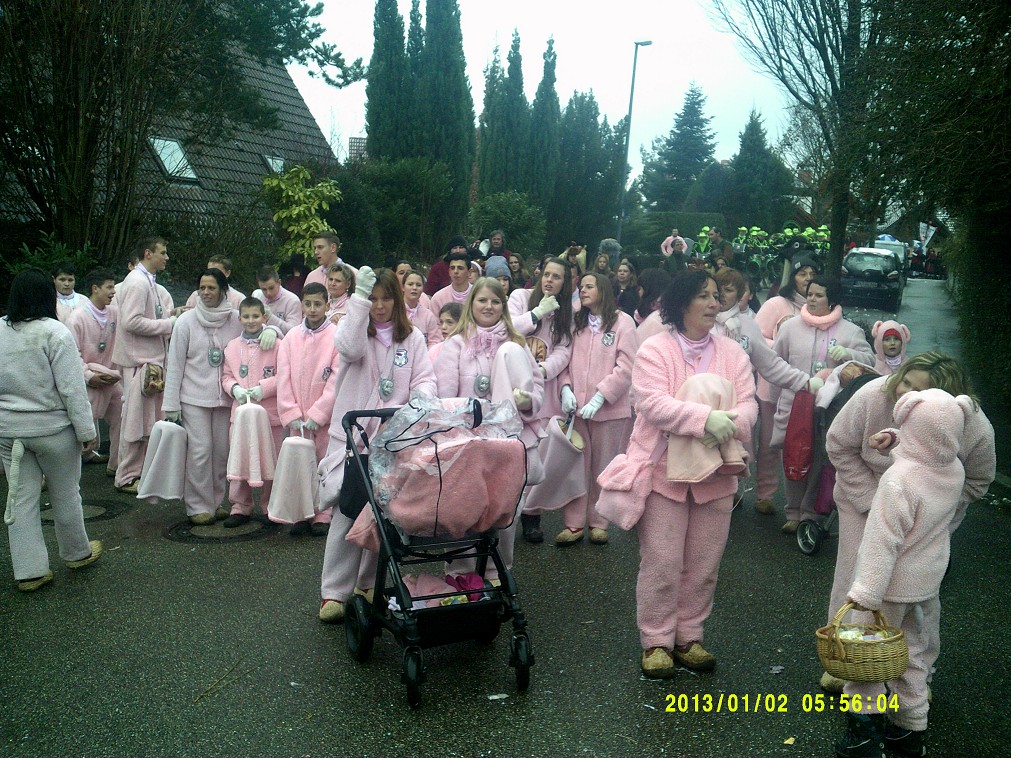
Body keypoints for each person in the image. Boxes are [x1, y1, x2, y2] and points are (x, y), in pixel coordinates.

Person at [597, 270, 757, 679]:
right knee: (662, 562)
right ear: (682, 302)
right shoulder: (655, 348)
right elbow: (651, 403)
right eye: (703, 296)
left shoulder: (732, 353)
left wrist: (729, 424)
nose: (714, 303)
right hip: (663, 473)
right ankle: (656, 640)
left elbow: (749, 405)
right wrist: (705, 420)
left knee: (704, 564)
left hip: (716, 474)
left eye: (716, 296)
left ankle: (690, 636)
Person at [822, 354, 995, 695]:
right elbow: (838, 444)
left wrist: (935, 512)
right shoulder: (873, 394)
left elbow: (979, 479)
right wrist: (873, 501)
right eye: (905, 381)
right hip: (863, 495)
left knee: (917, 591)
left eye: (918, 389)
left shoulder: (973, 423)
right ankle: (847, 657)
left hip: (925, 513)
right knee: (857, 577)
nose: (904, 392)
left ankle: (913, 673)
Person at [834, 389, 980, 758]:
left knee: (867, 660)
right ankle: (909, 731)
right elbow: (930, 445)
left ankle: (863, 737)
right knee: (915, 656)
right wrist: (896, 438)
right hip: (926, 584)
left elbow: (882, 542)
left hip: (886, 588)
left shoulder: (898, 481)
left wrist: (865, 592)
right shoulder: (953, 471)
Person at [319, 267, 437, 622]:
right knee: (348, 511)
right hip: (354, 438)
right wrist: (358, 299)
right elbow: (348, 347)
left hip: (392, 440)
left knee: (384, 512)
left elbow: (425, 379)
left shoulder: (412, 338)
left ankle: (368, 583)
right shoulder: (353, 329)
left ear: (397, 301)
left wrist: (414, 407)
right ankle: (334, 592)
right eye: (373, 299)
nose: (380, 306)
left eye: (386, 299)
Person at [1, 269, 103, 592]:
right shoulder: (55, 332)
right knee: (65, 493)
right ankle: (76, 553)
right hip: (53, 431)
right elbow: (72, 389)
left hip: (9, 433)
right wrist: (87, 431)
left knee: (20, 499)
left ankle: (29, 571)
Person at [435, 277, 545, 574]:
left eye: (495, 301)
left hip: (506, 440)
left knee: (505, 506)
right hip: (467, 440)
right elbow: (444, 396)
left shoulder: (516, 343)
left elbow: (537, 386)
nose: (489, 306)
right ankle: (460, 574)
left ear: (503, 306)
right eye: (482, 300)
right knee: (463, 506)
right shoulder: (455, 343)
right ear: (471, 304)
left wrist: (527, 401)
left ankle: (498, 572)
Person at [772, 276, 874, 533]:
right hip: (795, 404)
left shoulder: (850, 331)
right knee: (794, 455)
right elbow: (775, 363)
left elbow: (870, 362)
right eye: (809, 294)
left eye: (819, 295)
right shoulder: (790, 327)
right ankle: (792, 512)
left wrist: (849, 354)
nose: (812, 299)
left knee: (819, 459)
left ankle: (810, 513)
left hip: (829, 409)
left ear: (832, 300)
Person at [163, 269, 259, 525]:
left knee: (221, 452)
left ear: (223, 291)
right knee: (200, 451)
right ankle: (197, 506)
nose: (206, 293)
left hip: (227, 397)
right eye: (202, 288)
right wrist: (171, 404)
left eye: (211, 288)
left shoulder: (235, 319)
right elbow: (174, 365)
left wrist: (271, 331)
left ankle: (216, 503)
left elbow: (256, 333)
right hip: (193, 398)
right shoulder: (185, 322)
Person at [554, 272, 638, 546]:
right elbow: (563, 360)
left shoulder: (623, 322)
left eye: (589, 286)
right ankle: (574, 523)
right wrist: (565, 389)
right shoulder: (576, 321)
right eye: (581, 286)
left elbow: (626, 366)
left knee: (604, 466)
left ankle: (599, 522)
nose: (583, 290)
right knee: (576, 467)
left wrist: (600, 397)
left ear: (603, 289)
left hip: (610, 411)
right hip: (577, 410)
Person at [507, 256, 574, 543]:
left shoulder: (566, 313)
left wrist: (544, 371)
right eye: (547, 274)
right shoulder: (520, 297)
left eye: (556, 277)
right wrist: (535, 314)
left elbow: (564, 349)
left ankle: (531, 516)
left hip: (544, 391)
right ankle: (504, 515)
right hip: (513, 388)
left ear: (564, 283)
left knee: (536, 458)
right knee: (511, 453)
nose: (549, 280)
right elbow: (507, 329)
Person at [751, 254, 820, 515]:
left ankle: (802, 504)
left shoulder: (821, 307)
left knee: (803, 444)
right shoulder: (776, 304)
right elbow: (755, 340)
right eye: (802, 274)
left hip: (807, 389)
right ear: (792, 278)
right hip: (774, 387)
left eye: (813, 274)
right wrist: (783, 345)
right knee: (769, 443)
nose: (808, 279)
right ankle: (765, 494)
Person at [111, 237, 177, 495]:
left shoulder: (146, 280)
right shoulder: (137, 282)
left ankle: (138, 472)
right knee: (134, 423)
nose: (167, 257)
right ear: (148, 253)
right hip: (139, 362)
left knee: (146, 421)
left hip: (148, 361)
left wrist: (170, 317)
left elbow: (147, 317)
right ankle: (126, 476)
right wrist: (168, 325)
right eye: (163, 252)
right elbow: (131, 322)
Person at [276, 283, 340, 536]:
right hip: (297, 417)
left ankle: (323, 512)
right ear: (302, 305)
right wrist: (290, 412)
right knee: (299, 464)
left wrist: (319, 413)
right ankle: (300, 512)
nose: (313, 309)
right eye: (308, 304)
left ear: (327, 305)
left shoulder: (336, 337)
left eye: (318, 304)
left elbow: (336, 379)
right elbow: (283, 378)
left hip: (322, 419)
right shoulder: (291, 337)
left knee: (323, 462)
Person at [220, 297, 283, 527]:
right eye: (246, 316)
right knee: (240, 458)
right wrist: (234, 388)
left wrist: (263, 388)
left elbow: (284, 375)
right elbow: (226, 376)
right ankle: (240, 506)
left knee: (272, 459)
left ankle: (270, 506)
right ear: (239, 319)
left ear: (264, 317)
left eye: (255, 316)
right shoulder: (232, 347)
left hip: (269, 414)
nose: (251, 320)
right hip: (241, 414)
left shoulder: (276, 344)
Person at [66, 268, 122, 473]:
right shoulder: (76, 318)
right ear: (95, 288)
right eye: (109, 287)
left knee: (123, 416)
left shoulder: (115, 313)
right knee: (80, 427)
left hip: (111, 379)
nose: (113, 292)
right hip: (87, 382)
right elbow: (72, 355)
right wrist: (89, 376)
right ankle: (68, 471)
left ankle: (118, 466)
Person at [253, 265, 303, 335]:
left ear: (279, 283)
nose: (268, 293)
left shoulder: (292, 301)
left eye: (271, 288)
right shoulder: (257, 296)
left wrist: (270, 317)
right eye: (264, 289)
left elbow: (294, 332)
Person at [428, 250, 472, 319]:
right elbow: (434, 324)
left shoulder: (477, 294)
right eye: (452, 268)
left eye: (460, 268)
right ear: (449, 272)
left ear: (469, 272)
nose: (456, 271)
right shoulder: (438, 297)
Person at [402, 269, 441, 345]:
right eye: (410, 284)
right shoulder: (394, 311)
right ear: (403, 287)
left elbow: (434, 341)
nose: (414, 288)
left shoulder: (428, 315)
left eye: (418, 285)